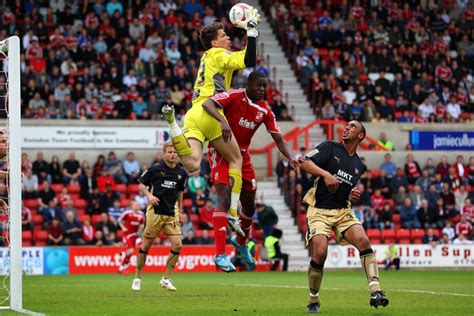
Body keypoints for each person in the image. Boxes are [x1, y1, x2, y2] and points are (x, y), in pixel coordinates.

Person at [161, 17, 260, 236]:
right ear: (214, 42)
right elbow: (249, 60)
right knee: (236, 158)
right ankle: (233, 212)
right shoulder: (218, 54)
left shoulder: (206, 56)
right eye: (224, 35)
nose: (228, 38)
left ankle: (172, 124)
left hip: (193, 113)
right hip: (212, 110)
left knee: (192, 164)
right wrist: (251, 32)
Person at [202, 71, 297, 271]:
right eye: (259, 86)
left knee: (250, 206)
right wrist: (223, 121)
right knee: (224, 198)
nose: (262, 90)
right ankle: (220, 254)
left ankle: (241, 242)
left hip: (243, 156)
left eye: (265, 87)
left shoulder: (265, 110)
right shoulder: (235, 96)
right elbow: (207, 104)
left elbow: (279, 139)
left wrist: (292, 158)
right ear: (249, 84)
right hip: (221, 149)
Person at [299, 120, 389, 313]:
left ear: (360, 136)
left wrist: (352, 195)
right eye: (346, 126)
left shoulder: (359, 165)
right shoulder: (329, 147)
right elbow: (303, 162)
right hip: (319, 210)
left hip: (343, 211)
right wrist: (325, 175)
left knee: (364, 241)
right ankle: (313, 299)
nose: (347, 128)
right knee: (320, 253)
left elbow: (345, 190)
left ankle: (376, 291)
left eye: (352, 127)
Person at [132, 143, 187, 292]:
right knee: (146, 245)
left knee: (178, 245)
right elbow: (141, 186)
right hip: (155, 212)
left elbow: (180, 193)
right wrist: (149, 196)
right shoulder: (154, 169)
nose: (173, 154)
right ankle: (137, 277)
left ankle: (166, 278)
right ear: (164, 154)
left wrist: (180, 212)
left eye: (175, 152)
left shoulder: (181, 173)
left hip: (172, 212)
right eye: (170, 152)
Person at [117, 200, 145, 274]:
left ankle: (122, 267)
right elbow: (119, 220)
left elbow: (142, 224)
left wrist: (141, 228)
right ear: (132, 206)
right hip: (127, 234)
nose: (136, 206)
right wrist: (123, 227)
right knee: (131, 250)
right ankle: (123, 263)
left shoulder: (141, 214)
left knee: (130, 252)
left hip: (135, 235)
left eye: (137, 205)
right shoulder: (127, 213)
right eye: (135, 205)